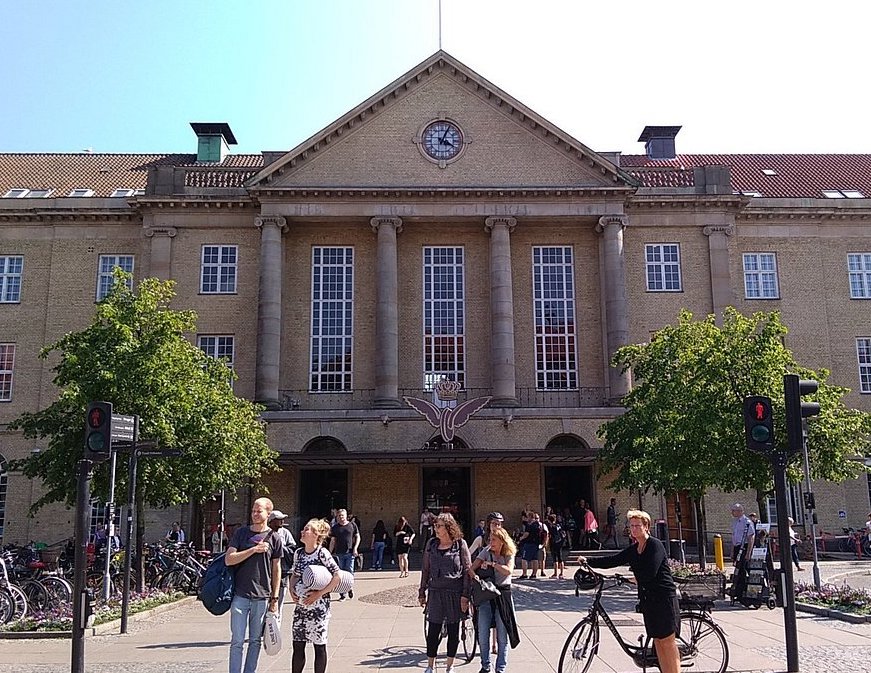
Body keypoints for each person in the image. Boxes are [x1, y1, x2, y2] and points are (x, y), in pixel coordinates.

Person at [578, 509, 680, 673]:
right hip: (648, 600)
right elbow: (614, 559)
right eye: (631, 526)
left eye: (637, 526)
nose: (634, 529)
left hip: (663, 598)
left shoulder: (654, 545)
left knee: (668, 641)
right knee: (658, 642)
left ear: (646, 526)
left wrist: (629, 579)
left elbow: (650, 573)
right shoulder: (634, 549)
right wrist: (588, 561)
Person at [225, 497, 284, 673]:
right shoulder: (241, 533)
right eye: (253, 511)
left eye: (259, 511)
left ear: (268, 513)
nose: (255, 514)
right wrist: (253, 550)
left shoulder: (274, 538)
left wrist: (274, 599)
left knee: (255, 641)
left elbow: (276, 570)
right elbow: (229, 559)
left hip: (262, 596)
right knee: (236, 640)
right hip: (240, 595)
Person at [419, 513, 472, 673]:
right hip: (435, 593)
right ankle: (430, 665)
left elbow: (467, 571)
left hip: (454, 594)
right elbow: (426, 569)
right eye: (435, 525)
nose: (436, 528)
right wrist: (422, 591)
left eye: (439, 526)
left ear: (449, 527)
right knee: (433, 630)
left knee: (453, 630)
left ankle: (449, 666)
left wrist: (465, 595)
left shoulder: (460, 544)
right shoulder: (431, 544)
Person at [289, 518, 341, 673]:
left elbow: (337, 575)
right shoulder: (298, 553)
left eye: (306, 529)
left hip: (318, 609)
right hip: (301, 607)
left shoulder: (321, 553)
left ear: (315, 534)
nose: (302, 532)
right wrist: (292, 588)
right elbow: (295, 574)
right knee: (298, 645)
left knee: (319, 647)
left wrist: (319, 593)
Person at [471, 526, 520, 673]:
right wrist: (478, 578)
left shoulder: (509, 553)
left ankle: (500, 668)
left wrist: (493, 564)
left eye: (493, 540)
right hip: (487, 595)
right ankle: (485, 666)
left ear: (502, 541)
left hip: (503, 595)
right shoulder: (486, 551)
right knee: (483, 633)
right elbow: (471, 569)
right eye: (490, 539)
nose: (490, 542)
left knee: (502, 636)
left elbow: (508, 570)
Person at [267, 509, 297, 619]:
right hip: (267, 571)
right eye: (279, 519)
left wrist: (281, 549)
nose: (282, 521)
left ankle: (275, 625)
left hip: (283, 571)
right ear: (272, 521)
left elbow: (293, 548)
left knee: (279, 601)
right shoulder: (266, 532)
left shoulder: (285, 533)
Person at [328, 509, 359, 600]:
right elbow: (333, 541)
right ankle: (342, 594)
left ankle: (349, 587)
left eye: (342, 515)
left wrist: (355, 548)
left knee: (350, 572)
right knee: (340, 574)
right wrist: (329, 553)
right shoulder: (335, 528)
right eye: (339, 516)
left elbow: (357, 536)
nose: (341, 517)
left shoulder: (352, 525)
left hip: (350, 553)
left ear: (346, 516)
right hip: (339, 553)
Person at [516, 511, 543, 579]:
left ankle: (524, 574)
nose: (526, 518)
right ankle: (534, 574)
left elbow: (526, 534)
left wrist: (521, 538)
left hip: (529, 543)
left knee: (524, 559)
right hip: (536, 544)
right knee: (535, 559)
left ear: (530, 517)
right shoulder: (538, 524)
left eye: (527, 517)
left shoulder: (530, 525)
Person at [547, 514, 566, 579]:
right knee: (560, 558)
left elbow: (550, 536)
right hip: (560, 543)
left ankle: (555, 573)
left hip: (554, 543)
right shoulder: (558, 525)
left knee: (555, 559)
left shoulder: (552, 527)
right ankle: (561, 573)